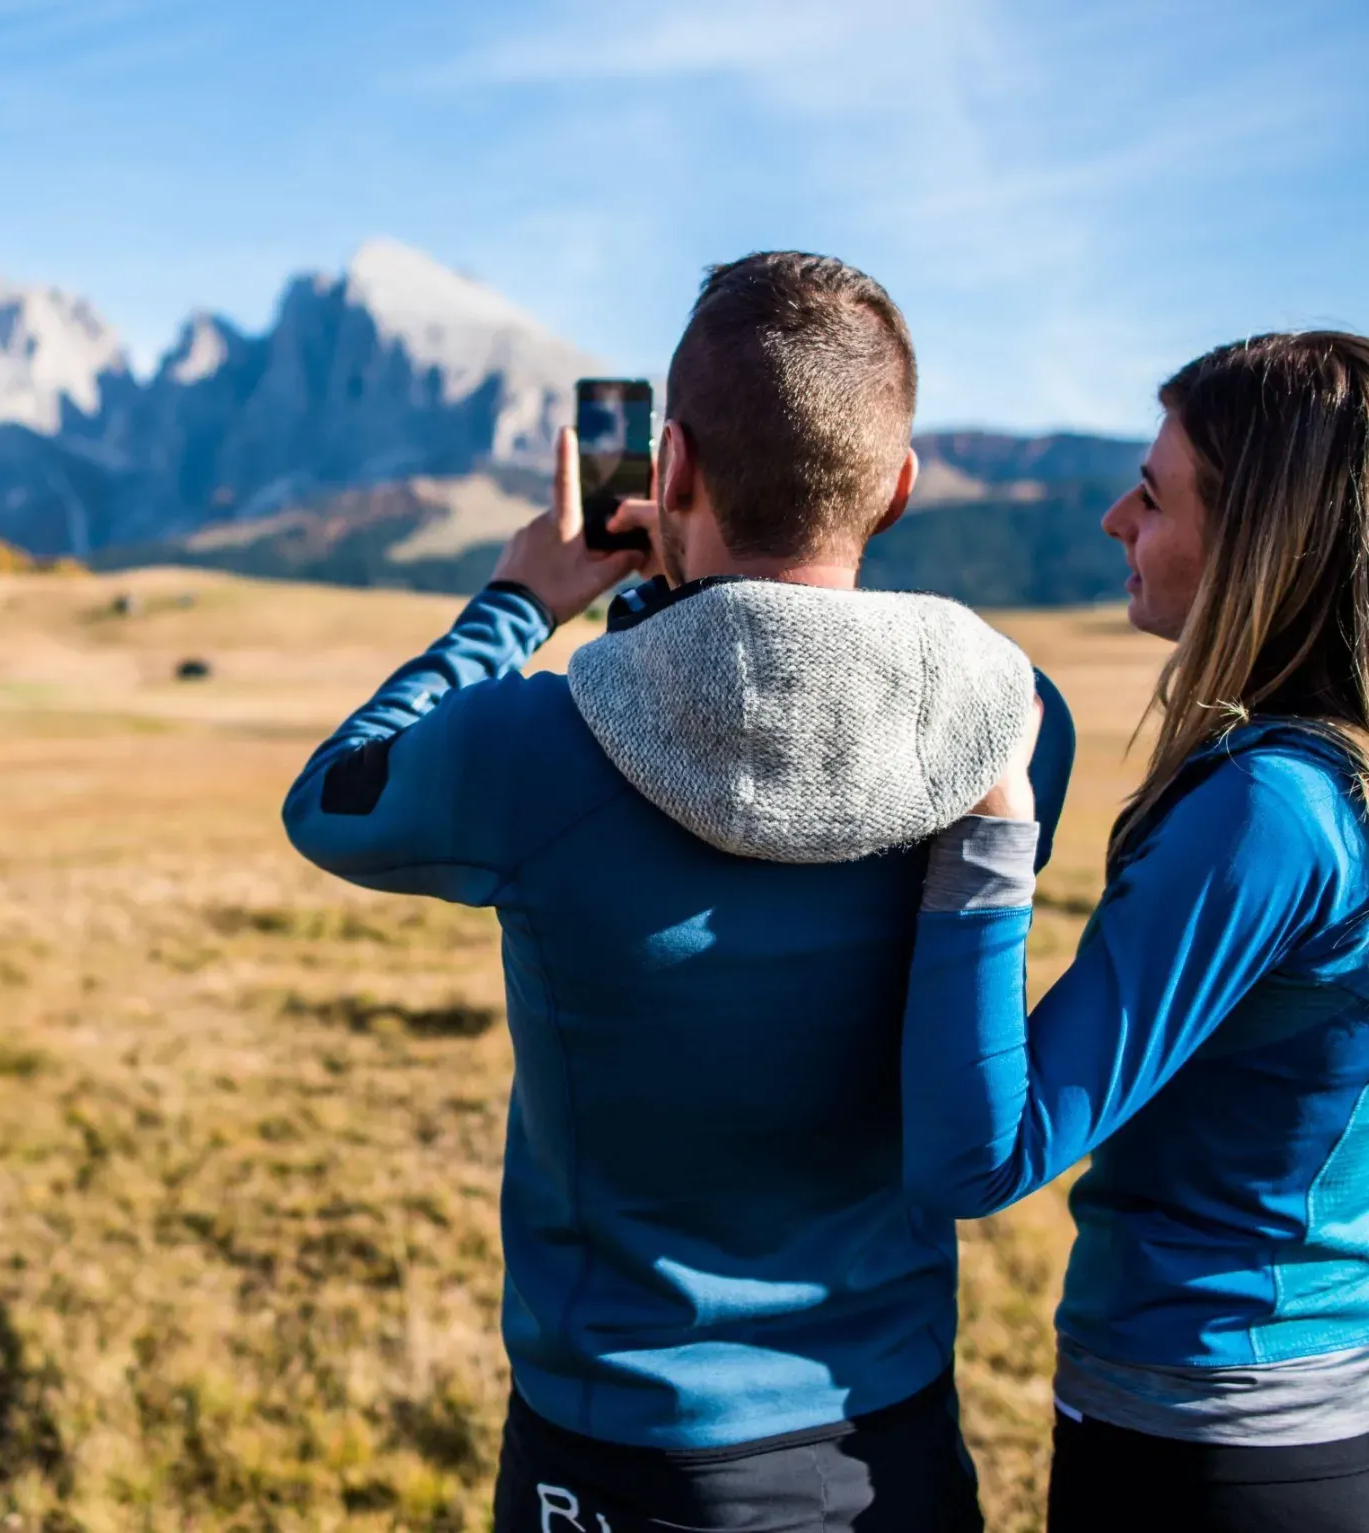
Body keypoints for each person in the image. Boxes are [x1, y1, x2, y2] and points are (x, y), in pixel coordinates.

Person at [282, 252, 1074, 1532]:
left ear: (673, 471)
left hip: (617, 1452)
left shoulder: (529, 753)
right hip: (888, 1439)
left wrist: (520, 601)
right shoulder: (1013, 725)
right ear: (897, 488)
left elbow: (333, 797)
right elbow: (775, 709)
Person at [901, 330, 1369, 1531]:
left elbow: (984, 1155)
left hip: (1202, 1431)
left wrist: (987, 832)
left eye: (1153, 497)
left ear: (1263, 543)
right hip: (1306, 1404)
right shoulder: (1338, 787)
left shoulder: (1268, 811)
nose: (1114, 518)